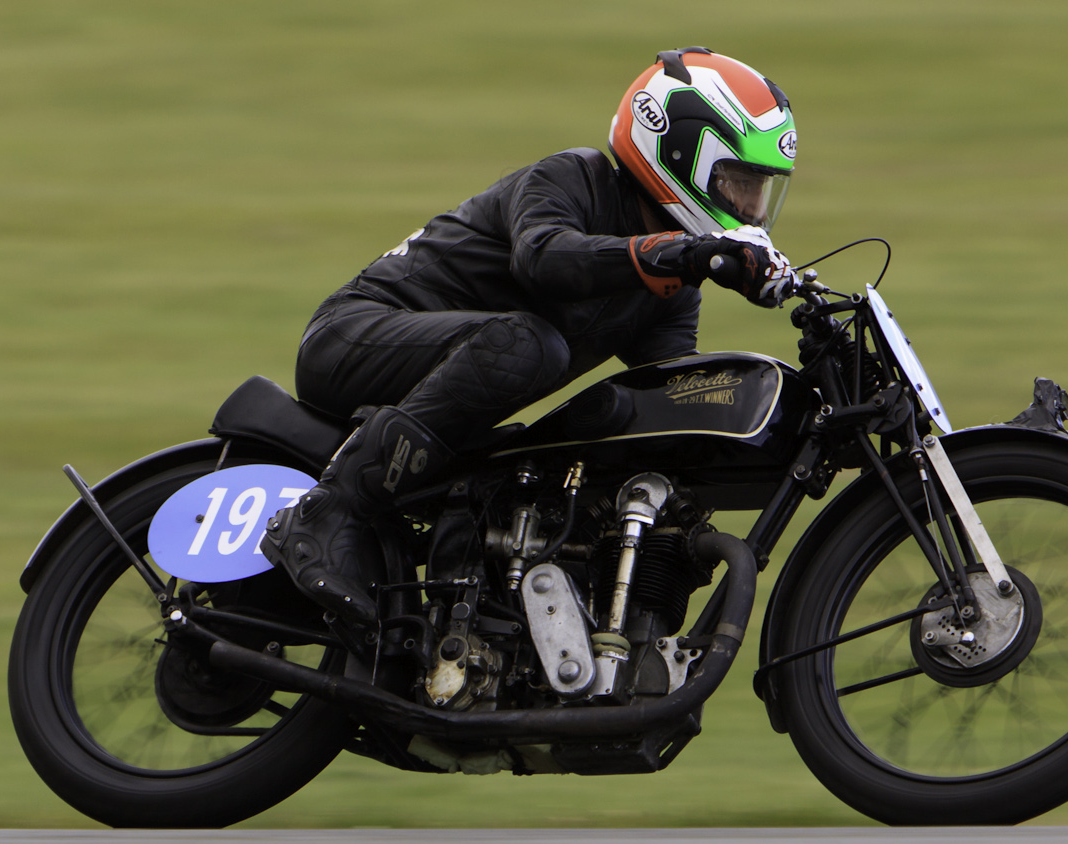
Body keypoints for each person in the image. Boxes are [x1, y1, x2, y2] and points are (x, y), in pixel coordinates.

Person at [262, 47, 800, 624]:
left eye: (761, 188)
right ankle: (323, 513)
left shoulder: (670, 294)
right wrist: (686, 253)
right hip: (349, 337)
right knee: (530, 344)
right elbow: (545, 259)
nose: (751, 207)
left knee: (584, 448)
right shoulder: (573, 177)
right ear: (678, 154)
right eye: (738, 181)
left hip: (455, 399)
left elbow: (663, 400)